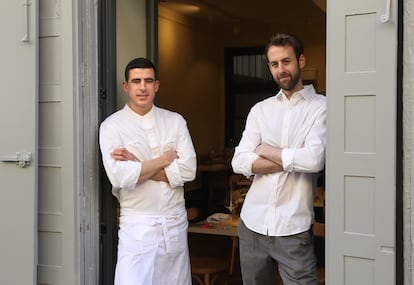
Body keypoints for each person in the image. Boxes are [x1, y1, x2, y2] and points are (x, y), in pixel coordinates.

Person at [231, 33, 326, 285]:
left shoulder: (322, 107)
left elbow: (314, 159)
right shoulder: (260, 110)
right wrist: (292, 157)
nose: (281, 69)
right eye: (274, 64)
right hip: (252, 225)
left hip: (293, 228)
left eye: (286, 61)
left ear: (301, 60)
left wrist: (266, 149)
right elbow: (239, 162)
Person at [99, 57, 197, 285]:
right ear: (126, 86)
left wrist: (138, 164)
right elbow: (119, 176)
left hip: (174, 222)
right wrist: (163, 160)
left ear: (157, 85)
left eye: (148, 81)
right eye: (136, 81)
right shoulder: (112, 126)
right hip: (137, 225)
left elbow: (188, 171)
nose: (142, 87)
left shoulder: (175, 121)